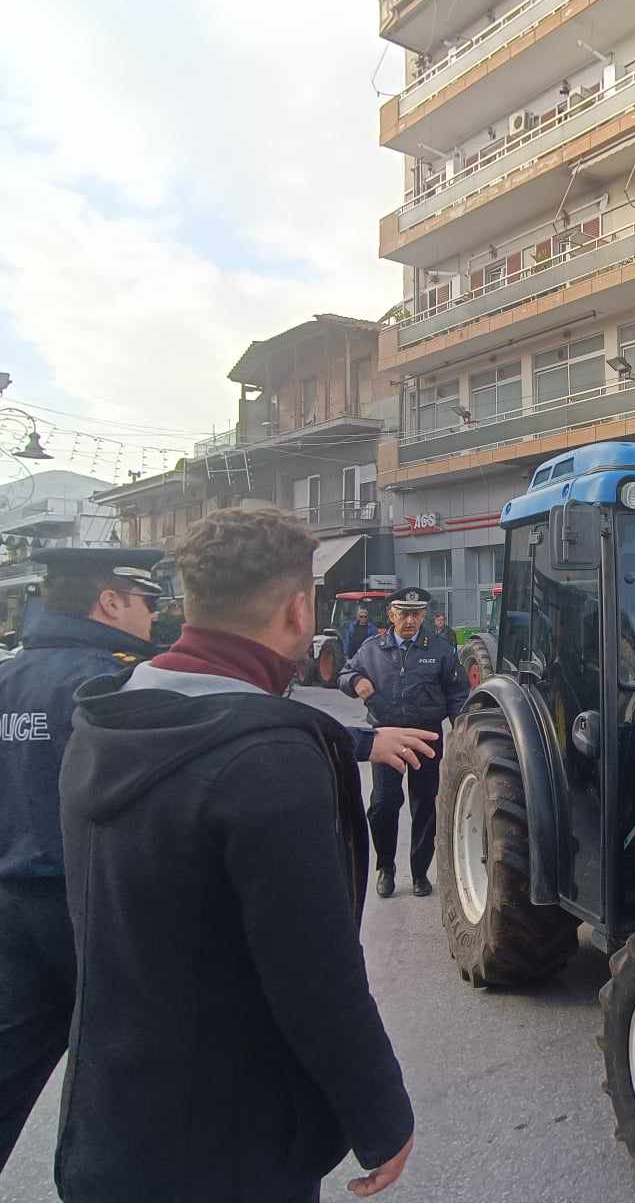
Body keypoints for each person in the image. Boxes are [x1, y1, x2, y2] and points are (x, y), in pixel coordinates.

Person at [56, 509, 426, 1199]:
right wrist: (381, 1115)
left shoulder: (104, 718)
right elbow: (314, 974)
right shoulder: (269, 759)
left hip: (109, 1122)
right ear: (297, 608)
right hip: (230, 1145)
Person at [0, 547, 162, 1170]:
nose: (153, 618)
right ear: (111, 600)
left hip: (12, 910)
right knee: (126, 1089)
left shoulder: (9, 677)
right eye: (147, 602)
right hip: (90, 909)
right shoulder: (111, 681)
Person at [341, 585, 469, 898]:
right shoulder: (372, 648)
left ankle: (419, 872)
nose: (410, 620)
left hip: (426, 737)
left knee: (425, 805)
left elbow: (457, 694)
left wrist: (462, 731)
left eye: (416, 613)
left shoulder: (440, 650)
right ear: (391, 614)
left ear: (424, 615)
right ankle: (386, 867)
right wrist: (358, 682)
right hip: (385, 738)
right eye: (403, 613)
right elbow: (345, 674)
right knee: (384, 804)